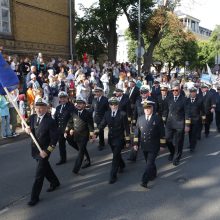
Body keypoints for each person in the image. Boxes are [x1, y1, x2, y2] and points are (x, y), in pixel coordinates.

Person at [25, 98, 60, 206]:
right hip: (35, 150)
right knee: (46, 168)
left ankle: (34, 197)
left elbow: (54, 139)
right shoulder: (32, 118)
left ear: (46, 108)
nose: (39, 110)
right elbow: (26, 127)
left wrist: (47, 151)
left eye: (41, 107)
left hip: (43, 151)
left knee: (39, 174)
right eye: (37, 107)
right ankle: (55, 182)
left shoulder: (50, 121)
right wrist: (27, 130)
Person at [133, 100, 165, 188]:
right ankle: (153, 174)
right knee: (149, 162)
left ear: (152, 108)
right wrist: (135, 144)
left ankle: (144, 181)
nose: (147, 110)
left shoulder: (157, 118)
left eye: (149, 108)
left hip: (154, 145)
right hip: (144, 145)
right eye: (145, 108)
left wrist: (162, 145)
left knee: (149, 163)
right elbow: (137, 133)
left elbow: (162, 132)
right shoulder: (140, 119)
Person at [98, 97, 130, 184]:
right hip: (111, 139)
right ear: (109, 105)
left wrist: (127, 141)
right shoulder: (107, 113)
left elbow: (127, 128)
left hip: (119, 139)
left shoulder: (123, 114)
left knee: (115, 157)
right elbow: (102, 124)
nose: (113, 106)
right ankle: (122, 165)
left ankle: (113, 176)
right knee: (117, 155)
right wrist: (95, 133)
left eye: (115, 104)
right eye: (111, 104)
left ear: (118, 105)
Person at [64, 98, 95, 174]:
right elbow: (70, 122)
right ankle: (88, 161)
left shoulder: (87, 114)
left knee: (81, 151)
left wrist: (91, 137)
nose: (78, 105)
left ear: (84, 105)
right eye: (77, 103)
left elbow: (91, 126)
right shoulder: (74, 112)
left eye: (80, 103)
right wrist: (66, 130)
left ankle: (76, 169)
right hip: (76, 135)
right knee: (82, 149)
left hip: (84, 136)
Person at [165, 84, 188, 166]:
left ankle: (176, 157)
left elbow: (187, 113)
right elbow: (166, 110)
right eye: (173, 90)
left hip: (179, 123)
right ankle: (172, 152)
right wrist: (164, 120)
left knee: (178, 142)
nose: (174, 92)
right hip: (170, 123)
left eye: (176, 90)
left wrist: (187, 125)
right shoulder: (169, 98)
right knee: (167, 140)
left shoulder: (184, 99)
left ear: (180, 90)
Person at [54, 91, 75, 165]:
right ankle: (63, 159)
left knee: (72, 142)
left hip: (68, 129)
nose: (62, 99)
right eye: (61, 98)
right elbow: (56, 118)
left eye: (64, 98)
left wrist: (70, 128)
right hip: (60, 130)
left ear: (67, 98)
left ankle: (83, 152)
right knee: (61, 144)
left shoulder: (71, 106)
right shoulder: (58, 107)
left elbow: (73, 118)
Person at [185, 87, 205, 152]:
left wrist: (203, 119)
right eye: (191, 92)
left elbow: (202, 110)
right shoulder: (187, 100)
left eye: (194, 92)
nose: (193, 93)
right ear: (190, 93)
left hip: (196, 120)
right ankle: (191, 143)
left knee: (194, 133)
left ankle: (192, 146)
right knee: (190, 133)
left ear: (196, 93)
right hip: (188, 120)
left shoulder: (199, 100)